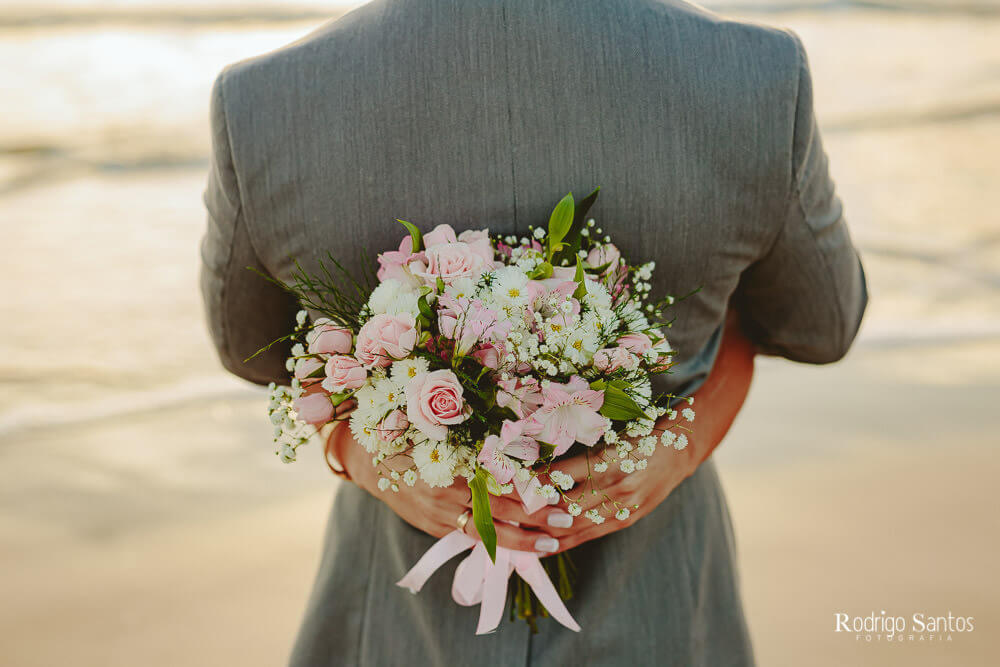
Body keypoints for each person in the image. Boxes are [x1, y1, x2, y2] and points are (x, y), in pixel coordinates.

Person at [200, 0, 867, 664]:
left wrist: (362, 450)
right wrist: (680, 440)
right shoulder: (754, 76)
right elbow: (821, 326)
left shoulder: (266, 100)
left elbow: (253, 348)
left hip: (396, 612)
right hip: (661, 600)